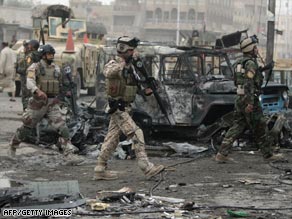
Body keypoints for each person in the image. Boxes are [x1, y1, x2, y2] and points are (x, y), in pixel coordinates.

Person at [94, 36, 164, 180]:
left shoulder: (132, 68)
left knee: (112, 139)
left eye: (133, 50)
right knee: (136, 133)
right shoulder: (113, 64)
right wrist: (124, 63)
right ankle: (146, 167)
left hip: (126, 108)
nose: (134, 53)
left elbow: (136, 88)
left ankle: (100, 168)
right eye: (130, 50)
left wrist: (148, 89)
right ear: (123, 51)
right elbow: (108, 73)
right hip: (117, 107)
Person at [9, 44, 82, 163]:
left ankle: (69, 154)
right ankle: (13, 146)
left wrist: (61, 96)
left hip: (52, 103)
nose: (51, 56)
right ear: (43, 55)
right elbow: (30, 81)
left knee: (62, 127)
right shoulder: (35, 67)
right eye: (49, 54)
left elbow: (61, 84)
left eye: (52, 54)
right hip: (38, 103)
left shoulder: (56, 68)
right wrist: (37, 91)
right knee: (26, 128)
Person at [215, 35, 283, 163]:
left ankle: (221, 153)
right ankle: (268, 154)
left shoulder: (240, 63)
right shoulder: (251, 63)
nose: (257, 50)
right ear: (251, 49)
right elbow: (249, 83)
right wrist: (250, 102)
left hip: (240, 98)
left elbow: (244, 78)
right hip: (249, 99)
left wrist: (263, 68)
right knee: (261, 126)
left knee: (238, 126)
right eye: (255, 47)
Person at [16, 40, 40, 111]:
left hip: (26, 77)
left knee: (26, 94)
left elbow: (27, 67)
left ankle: (26, 110)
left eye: (28, 46)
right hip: (34, 77)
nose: (27, 47)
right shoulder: (38, 54)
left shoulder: (30, 56)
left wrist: (18, 70)